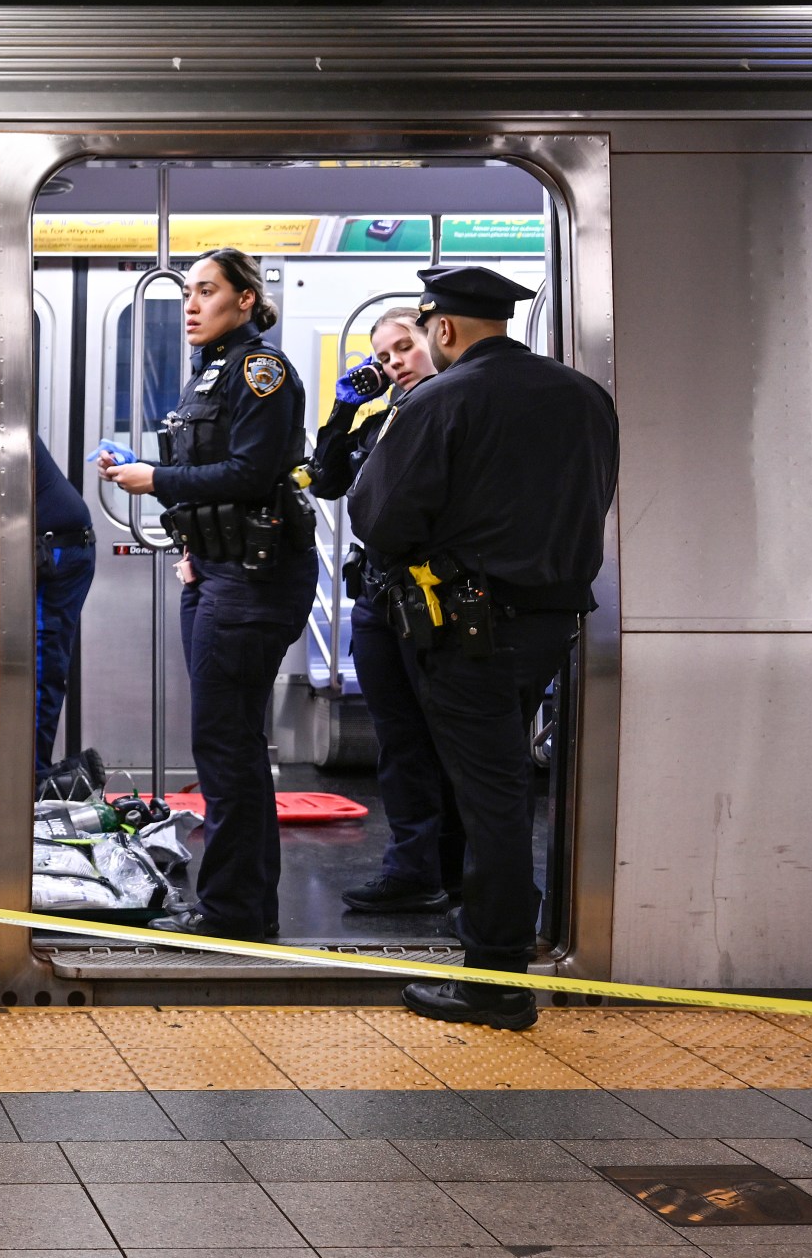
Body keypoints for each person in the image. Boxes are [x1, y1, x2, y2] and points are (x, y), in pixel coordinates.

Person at [349, 265, 618, 1030]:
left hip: (469, 631)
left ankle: (495, 978)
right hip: (550, 623)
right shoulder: (585, 396)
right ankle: (506, 942)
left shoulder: (440, 399)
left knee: (491, 795)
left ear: (443, 328)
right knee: (502, 784)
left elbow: (382, 519)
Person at [98, 248, 315, 941]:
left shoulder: (261, 371)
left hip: (254, 582)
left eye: (208, 291)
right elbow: (213, 473)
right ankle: (237, 905)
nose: (191, 304)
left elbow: (252, 474)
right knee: (225, 745)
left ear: (245, 300)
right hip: (218, 573)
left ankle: (236, 916)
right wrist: (190, 540)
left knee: (228, 748)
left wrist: (153, 482)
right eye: (188, 292)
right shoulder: (211, 375)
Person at [304, 308, 462, 917]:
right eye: (385, 355)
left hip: (434, 601)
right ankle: (414, 868)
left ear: (437, 343)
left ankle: (451, 866)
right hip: (377, 599)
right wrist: (344, 412)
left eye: (406, 347)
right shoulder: (381, 421)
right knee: (398, 740)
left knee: (444, 737)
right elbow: (325, 481)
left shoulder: (448, 413)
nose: (395, 362)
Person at [31, 435, 96, 777]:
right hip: (57, 546)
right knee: (41, 666)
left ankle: (33, 778)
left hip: (56, 553)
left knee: (40, 668)